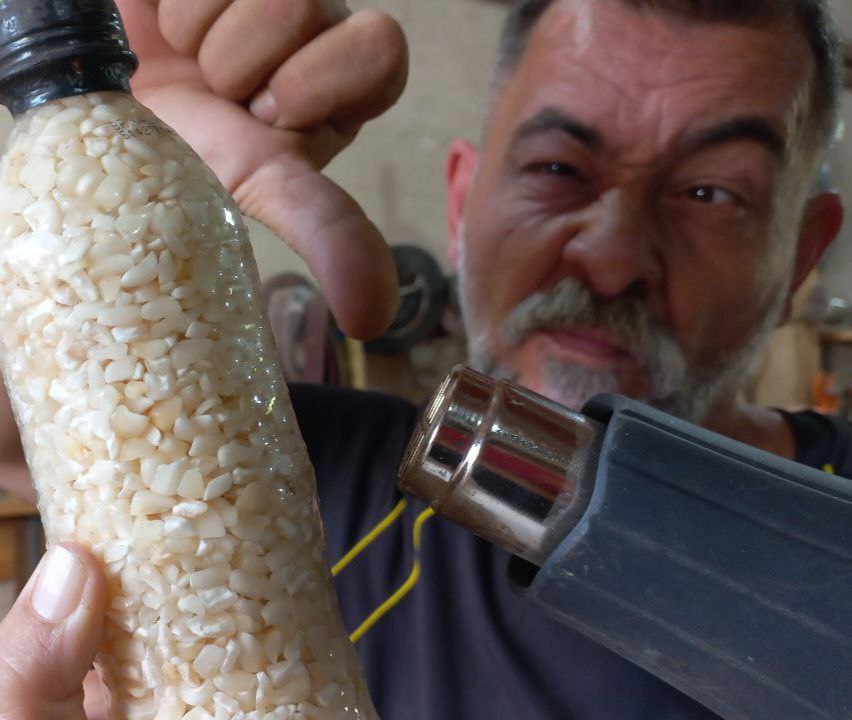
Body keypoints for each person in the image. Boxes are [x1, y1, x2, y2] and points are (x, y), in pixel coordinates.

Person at [1, 0, 850, 717]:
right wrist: (100, 222)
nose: (611, 257)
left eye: (710, 193)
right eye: (558, 168)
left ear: (802, 259)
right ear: (461, 201)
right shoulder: (261, 465)